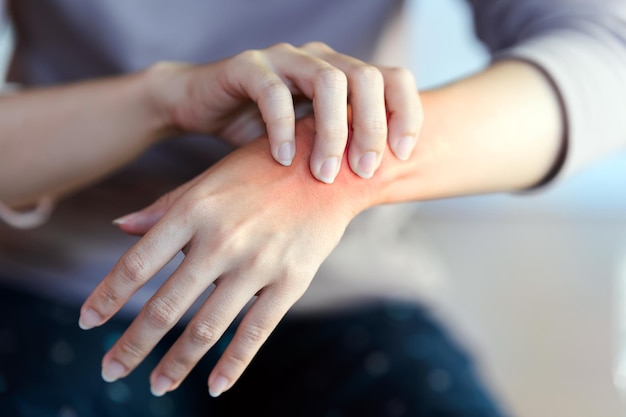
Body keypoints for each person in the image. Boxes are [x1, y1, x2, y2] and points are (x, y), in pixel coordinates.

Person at [0, 0, 624, 416]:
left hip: (339, 282)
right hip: (59, 277)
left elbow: (604, 52)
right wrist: (163, 100)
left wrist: (326, 172)